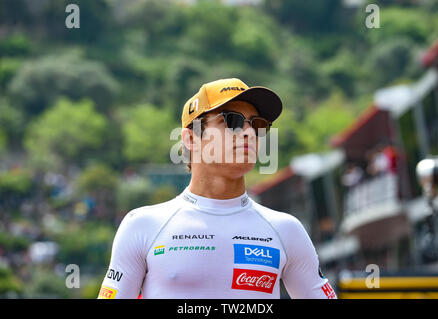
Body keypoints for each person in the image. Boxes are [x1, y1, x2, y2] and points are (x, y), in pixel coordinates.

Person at [98, 78, 337, 299]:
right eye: (231, 121)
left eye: (257, 124)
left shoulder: (286, 230)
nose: (248, 132)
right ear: (191, 139)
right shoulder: (142, 225)